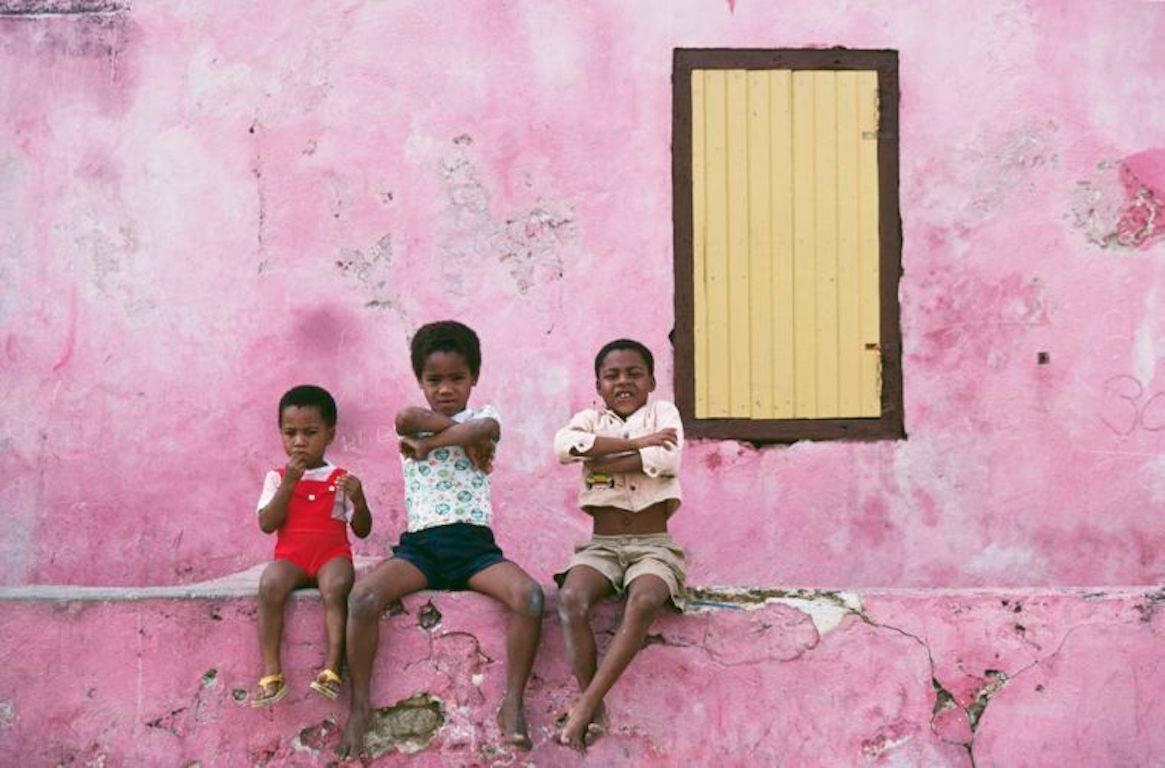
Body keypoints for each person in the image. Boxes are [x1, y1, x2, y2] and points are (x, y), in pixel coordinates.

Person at [339, 321, 543, 756]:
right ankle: (359, 706)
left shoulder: (485, 420)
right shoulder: (413, 420)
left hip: (476, 552)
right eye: (434, 380)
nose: (446, 389)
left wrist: (431, 445)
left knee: (529, 597)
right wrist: (452, 437)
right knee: (362, 599)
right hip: (422, 551)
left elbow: (482, 430)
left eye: (457, 378)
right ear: (420, 381)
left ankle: (513, 703)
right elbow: (406, 419)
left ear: (474, 378)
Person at [552, 338, 687, 749]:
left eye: (634, 373)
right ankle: (597, 709)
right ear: (599, 385)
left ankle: (586, 703)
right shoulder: (588, 420)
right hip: (601, 547)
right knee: (571, 599)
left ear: (651, 381)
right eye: (612, 375)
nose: (623, 381)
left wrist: (600, 459)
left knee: (644, 600)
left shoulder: (664, 414)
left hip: (654, 545)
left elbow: (666, 460)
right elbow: (565, 448)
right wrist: (636, 445)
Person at [252, 384, 372, 707]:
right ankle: (271, 674)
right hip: (291, 557)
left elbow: (361, 529)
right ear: (280, 433)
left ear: (329, 434)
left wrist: (359, 501)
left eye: (310, 432)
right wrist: (290, 484)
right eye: (290, 432)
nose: (299, 441)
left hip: (331, 555)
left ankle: (332, 669)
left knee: (336, 588)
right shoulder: (277, 478)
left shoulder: (342, 479)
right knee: (270, 585)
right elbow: (267, 523)